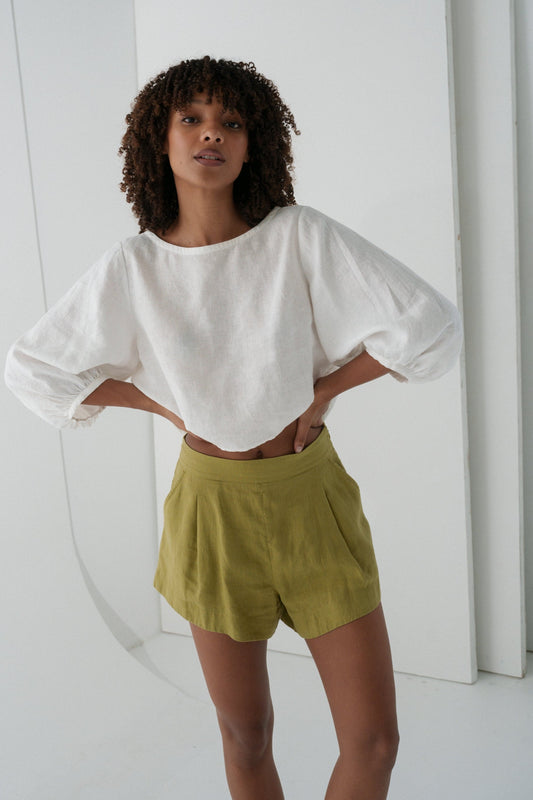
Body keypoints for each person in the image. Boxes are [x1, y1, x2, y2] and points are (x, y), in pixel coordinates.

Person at [4, 56, 463, 800]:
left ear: (255, 145)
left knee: (374, 742)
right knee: (246, 735)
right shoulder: (134, 266)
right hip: (210, 511)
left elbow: (428, 324)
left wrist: (321, 391)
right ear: (159, 140)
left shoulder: (297, 236)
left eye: (231, 122)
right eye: (191, 119)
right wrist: (161, 404)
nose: (210, 134)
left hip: (310, 501)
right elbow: (34, 368)